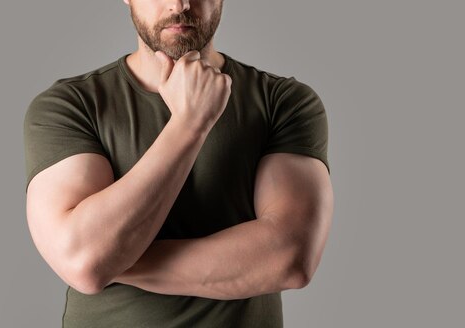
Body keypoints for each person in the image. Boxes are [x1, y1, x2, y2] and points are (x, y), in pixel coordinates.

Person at [23, 0, 333, 327]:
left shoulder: (283, 101)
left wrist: (115, 262)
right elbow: (86, 257)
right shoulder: (69, 107)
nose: (179, 3)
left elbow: (290, 258)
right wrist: (190, 123)